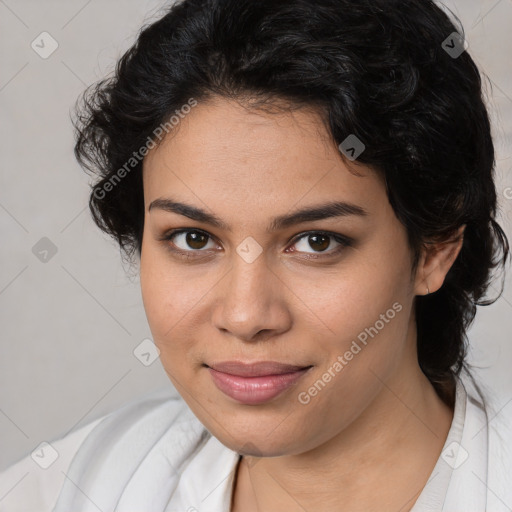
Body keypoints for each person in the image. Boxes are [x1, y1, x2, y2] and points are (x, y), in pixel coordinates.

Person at [1, 0, 511, 510]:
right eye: (193, 239)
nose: (246, 317)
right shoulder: (60, 492)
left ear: (435, 249)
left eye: (317, 241)